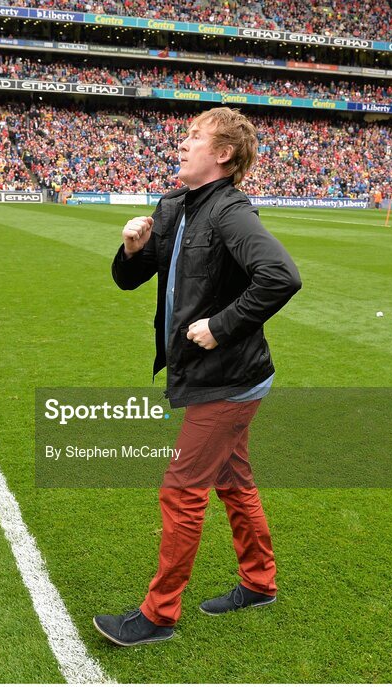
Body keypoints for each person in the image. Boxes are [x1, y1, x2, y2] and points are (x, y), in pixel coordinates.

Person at [95, 107, 302, 647]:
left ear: (224, 154)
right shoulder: (173, 206)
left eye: (194, 138)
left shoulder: (230, 212)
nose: (181, 144)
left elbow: (281, 276)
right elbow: (129, 279)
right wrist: (132, 250)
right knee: (233, 481)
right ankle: (259, 582)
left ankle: (159, 614)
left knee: (183, 491)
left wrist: (222, 326)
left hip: (228, 379)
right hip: (216, 374)